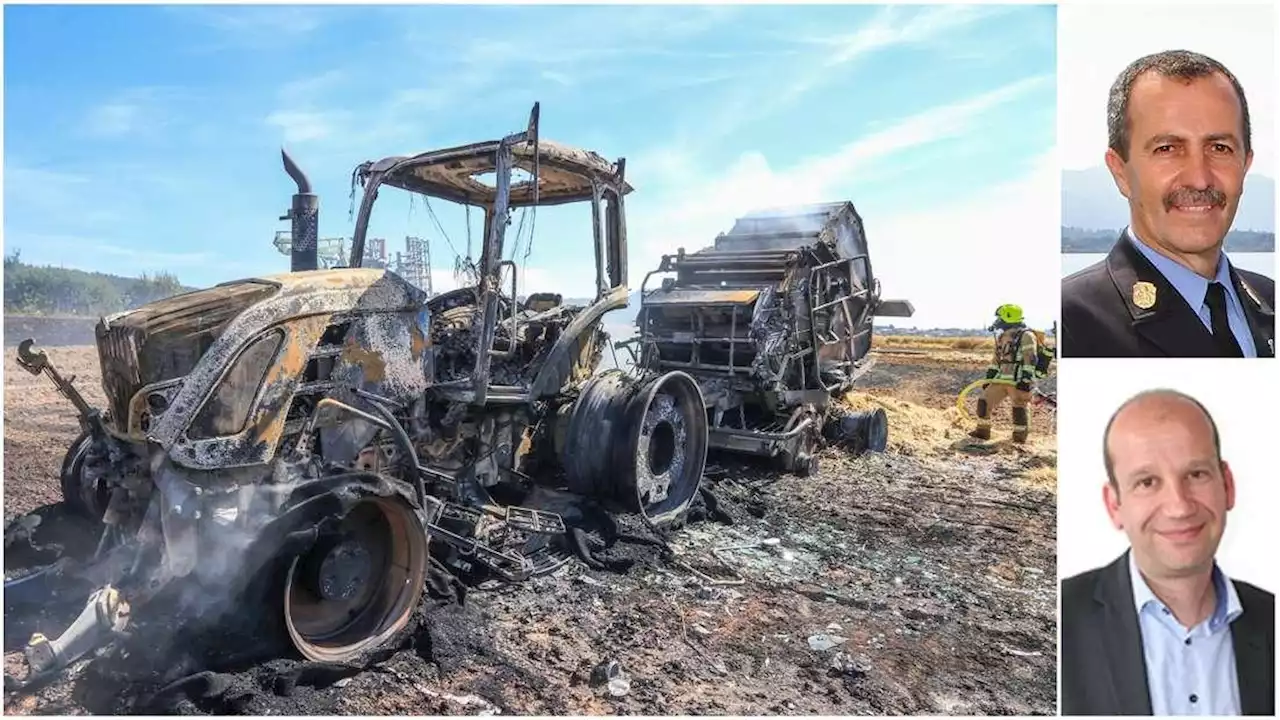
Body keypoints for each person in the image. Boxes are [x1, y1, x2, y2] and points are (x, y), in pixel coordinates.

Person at [1060, 389, 1275, 716]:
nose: (1179, 506)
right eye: (1147, 482)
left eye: (1196, 474)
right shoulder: (1062, 621)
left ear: (1227, 485)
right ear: (1114, 505)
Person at [1060, 49, 1275, 358]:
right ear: (1120, 171)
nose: (1199, 179)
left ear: (1245, 164)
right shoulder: (1075, 324)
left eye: (1219, 147)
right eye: (1167, 148)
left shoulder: (1271, 301)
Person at [970, 304, 1038, 444]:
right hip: (1001, 379)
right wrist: (990, 376)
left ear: (1009, 317)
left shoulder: (1027, 335)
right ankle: (982, 431)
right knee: (984, 402)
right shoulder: (1002, 337)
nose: (998, 321)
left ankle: (1019, 438)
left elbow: (1030, 358)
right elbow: (996, 359)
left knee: (1019, 408)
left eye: (1000, 318)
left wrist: (1026, 379)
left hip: (1018, 380)